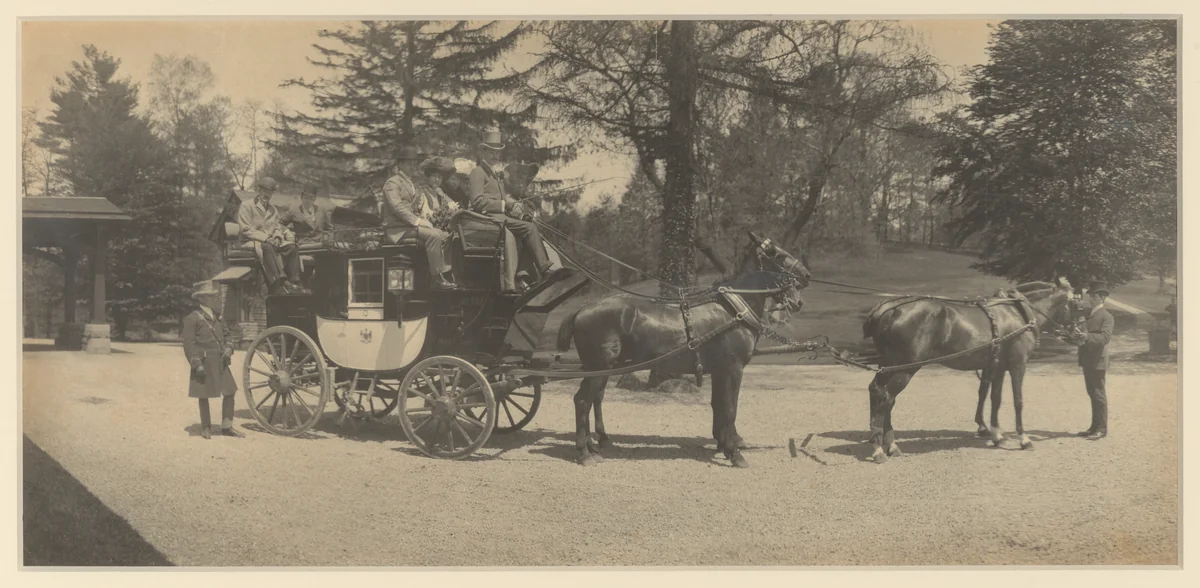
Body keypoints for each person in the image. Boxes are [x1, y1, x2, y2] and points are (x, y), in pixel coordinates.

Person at [467, 128, 559, 284]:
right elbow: (477, 201)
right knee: (529, 229)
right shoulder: (478, 172)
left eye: (497, 153)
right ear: (483, 152)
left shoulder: (495, 175)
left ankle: (523, 274)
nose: (495, 156)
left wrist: (514, 208)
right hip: (487, 219)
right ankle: (544, 270)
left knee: (528, 226)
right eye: (491, 152)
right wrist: (505, 205)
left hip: (499, 217)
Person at [381, 146, 459, 289]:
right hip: (397, 229)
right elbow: (397, 207)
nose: (412, 166)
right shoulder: (392, 183)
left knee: (446, 235)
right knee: (435, 235)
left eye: (414, 163)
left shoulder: (411, 184)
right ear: (400, 164)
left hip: (408, 227)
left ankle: (445, 271)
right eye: (408, 163)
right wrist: (418, 221)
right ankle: (436, 278)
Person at [182, 280, 243, 440]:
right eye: (210, 297)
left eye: (213, 296)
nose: (214, 299)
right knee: (204, 394)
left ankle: (227, 426)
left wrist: (229, 348)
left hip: (221, 362)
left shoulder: (218, 317)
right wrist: (196, 364)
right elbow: (189, 344)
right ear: (201, 299)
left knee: (230, 391)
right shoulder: (192, 318)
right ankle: (206, 427)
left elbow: (228, 335)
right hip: (204, 362)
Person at [237, 177, 307, 294]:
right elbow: (245, 229)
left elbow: (277, 227)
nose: (267, 194)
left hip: (269, 241)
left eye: (270, 192)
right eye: (264, 191)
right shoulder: (246, 205)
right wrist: (266, 238)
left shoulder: (273, 210)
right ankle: (282, 279)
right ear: (259, 190)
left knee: (292, 247)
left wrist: (278, 237)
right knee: (266, 247)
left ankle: (295, 281)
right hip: (250, 241)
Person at [1066, 280, 1115, 440]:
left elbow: (1104, 338)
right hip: (1087, 359)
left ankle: (1102, 429)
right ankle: (1094, 427)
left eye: (1094, 296)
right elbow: (1081, 335)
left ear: (1102, 298)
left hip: (1098, 360)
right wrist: (1072, 336)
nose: (1091, 298)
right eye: (1091, 295)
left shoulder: (1106, 316)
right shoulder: (1089, 313)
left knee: (1099, 394)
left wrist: (1086, 336)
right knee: (1092, 393)